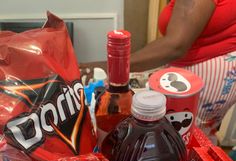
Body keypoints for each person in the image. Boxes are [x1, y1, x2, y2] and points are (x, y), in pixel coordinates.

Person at [80, 0, 236, 143]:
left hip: (203, 77)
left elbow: (175, 45)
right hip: (200, 70)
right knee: (194, 137)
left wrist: (108, 66)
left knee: (185, 139)